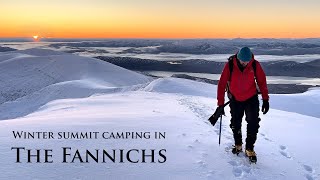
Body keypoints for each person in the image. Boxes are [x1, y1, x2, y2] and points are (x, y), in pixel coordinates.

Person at [215, 47, 269, 163]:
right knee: (235, 123)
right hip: (235, 99)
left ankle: (250, 148)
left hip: (251, 98)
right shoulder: (230, 65)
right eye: (243, 61)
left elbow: (262, 81)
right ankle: (238, 144)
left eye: (247, 61)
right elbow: (222, 84)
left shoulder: (254, 65)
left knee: (253, 123)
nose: (245, 63)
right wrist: (220, 104)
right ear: (238, 58)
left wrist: (265, 99)